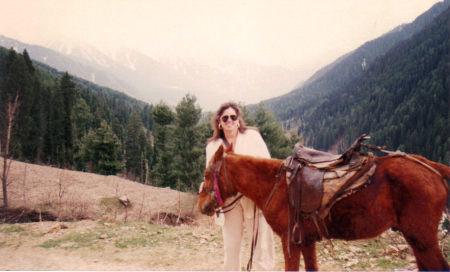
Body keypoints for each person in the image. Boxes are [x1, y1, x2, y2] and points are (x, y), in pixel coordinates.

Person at [203, 102, 275, 271]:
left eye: (233, 117)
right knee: (231, 248)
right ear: (219, 122)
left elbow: (267, 164)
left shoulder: (252, 137)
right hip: (229, 203)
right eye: (225, 118)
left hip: (254, 200)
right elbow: (210, 175)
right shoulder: (212, 146)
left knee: (260, 248)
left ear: (238, 120)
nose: (229, 120)